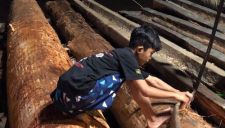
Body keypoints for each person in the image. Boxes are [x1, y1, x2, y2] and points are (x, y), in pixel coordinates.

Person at [51, 25, 192, 128]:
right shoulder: (128, 58)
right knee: (133, 82)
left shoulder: (123, 55)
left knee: (134, 80)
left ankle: (152, 118)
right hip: (74, 95)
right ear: (140, 49)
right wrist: (176, 97)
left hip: (64, 96)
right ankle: (153, 118)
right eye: (151, 53)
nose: (150, 58)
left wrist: (178, 92)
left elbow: (152, 79)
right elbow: (145, 90)